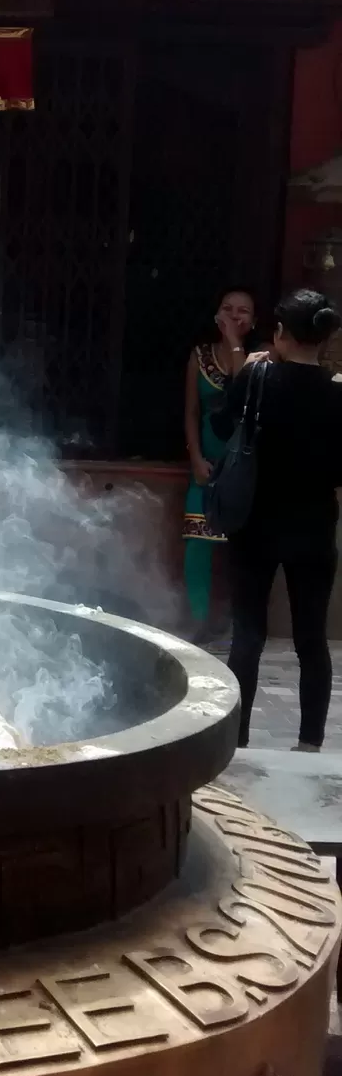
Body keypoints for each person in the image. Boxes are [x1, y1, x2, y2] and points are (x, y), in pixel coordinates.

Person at [211, 288, 342, 750]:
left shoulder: (257, 377)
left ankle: (238, 741)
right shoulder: (335, 393)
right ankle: (309, 745)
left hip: (255, 525)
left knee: (248, 634)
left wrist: (241, 366)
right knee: (311, 639)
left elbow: (222, 426)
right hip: (314, 529)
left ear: (281, 332)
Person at [183, 289, 258, 638]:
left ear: (253, 321)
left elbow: (248, 396)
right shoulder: (199, 357)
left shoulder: (261, 360)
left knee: (240, 550)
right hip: (206, 465)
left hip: (243, 470)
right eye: (227, 309)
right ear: (215, 313)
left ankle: (236, 625)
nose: (234, 316)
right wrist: (196, 458)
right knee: (197, 543)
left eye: (242, 312)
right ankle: (198, 622)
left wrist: (233, 341)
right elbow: (191, 412)